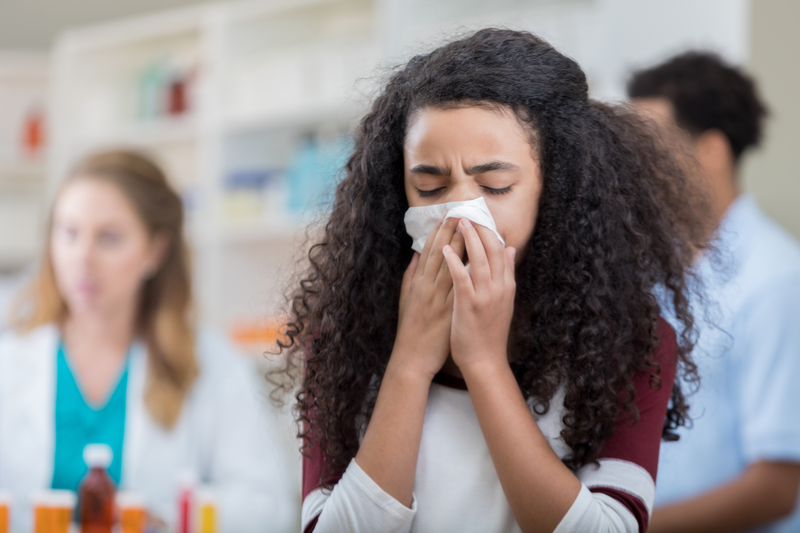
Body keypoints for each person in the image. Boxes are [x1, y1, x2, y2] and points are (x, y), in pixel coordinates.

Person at [273, 29, 711, 533]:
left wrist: (483, 363)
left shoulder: (629, 342)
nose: (460, 212)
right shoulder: (343, 337)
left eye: (495, 185)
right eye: (430, 185)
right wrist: (411, 363)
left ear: (558, 189)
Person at [0, 151, 296, 532]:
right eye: (68, 232)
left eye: (108, 238)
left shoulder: (209, 361)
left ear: (155, 250)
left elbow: (267, 507)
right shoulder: (11, 360)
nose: (82, 257)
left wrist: (165, 516)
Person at [628, 52, 800, 532]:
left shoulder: (776, 282)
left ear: (712, 151)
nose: (636, 170)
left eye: (651, 150)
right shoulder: (653, 272)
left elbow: (776, 488)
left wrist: (624, 527)